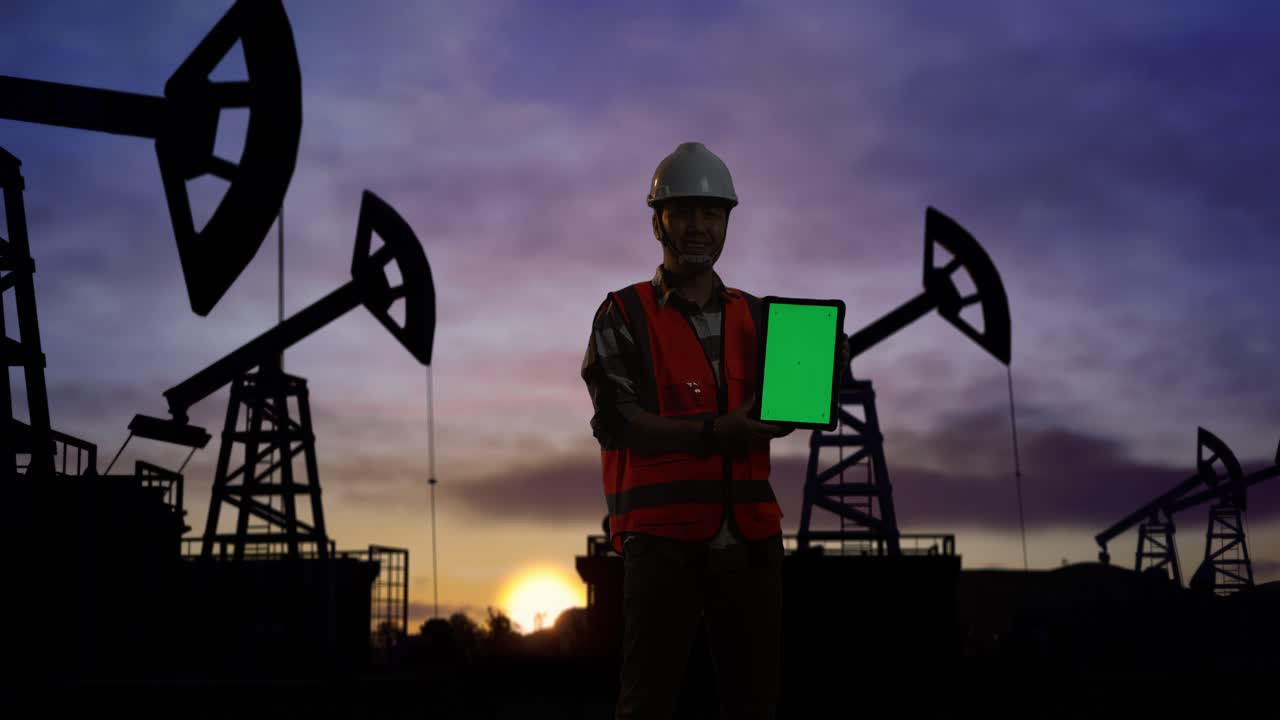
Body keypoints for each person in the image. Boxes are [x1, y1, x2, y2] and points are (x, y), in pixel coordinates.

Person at [580, 141, 848, 719]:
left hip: (751, 542)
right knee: (648, 705)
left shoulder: (759, 316)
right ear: (657, 222)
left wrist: (818, 376)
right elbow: (617, 423)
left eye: (712, 213)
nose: (698, 227)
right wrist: (714, 432)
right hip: (661, 544)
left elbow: (772, 417)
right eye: (683, 212)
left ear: (727, 222)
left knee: (755, 705)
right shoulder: (622, 314)